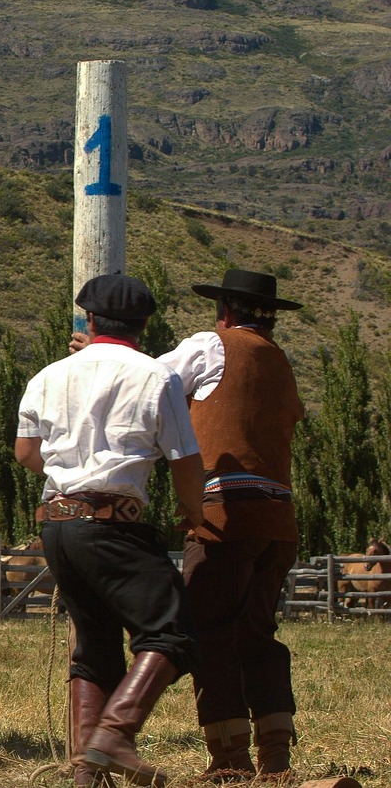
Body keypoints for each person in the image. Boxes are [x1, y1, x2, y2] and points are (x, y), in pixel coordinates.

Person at [14, 274, 206, 788]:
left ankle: (86, 773)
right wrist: (194, 511)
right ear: (145, 325)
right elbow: (185, 460)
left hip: (57, 526)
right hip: (111, 524)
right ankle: (115, 735)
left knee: (94, 645)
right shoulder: (156, 377)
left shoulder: (47, 376)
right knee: (172, 632)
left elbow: (26, 454)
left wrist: (69, 483)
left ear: (90, 321)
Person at [154, 269, 305, 780]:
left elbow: (149, 383)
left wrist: (100, 358)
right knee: (257, 633)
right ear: (270, 319)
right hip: (278, 522)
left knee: (208, 633)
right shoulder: (278, 362)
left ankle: (229, 757)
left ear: (224, 311)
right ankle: (276, 756)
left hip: (226, 518)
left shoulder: (210, 347)